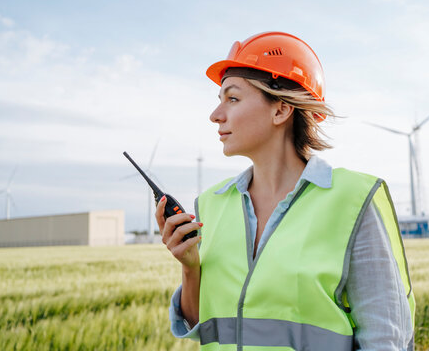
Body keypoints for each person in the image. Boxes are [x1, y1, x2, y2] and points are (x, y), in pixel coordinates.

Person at [157, 31, 415, 351]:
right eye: (219, 100)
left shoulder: (351, 201)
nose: (215, 115)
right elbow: (203, 327)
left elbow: (384, 338)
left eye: (232, 98)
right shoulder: (211, 205)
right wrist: (190, 266)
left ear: (280, 110)